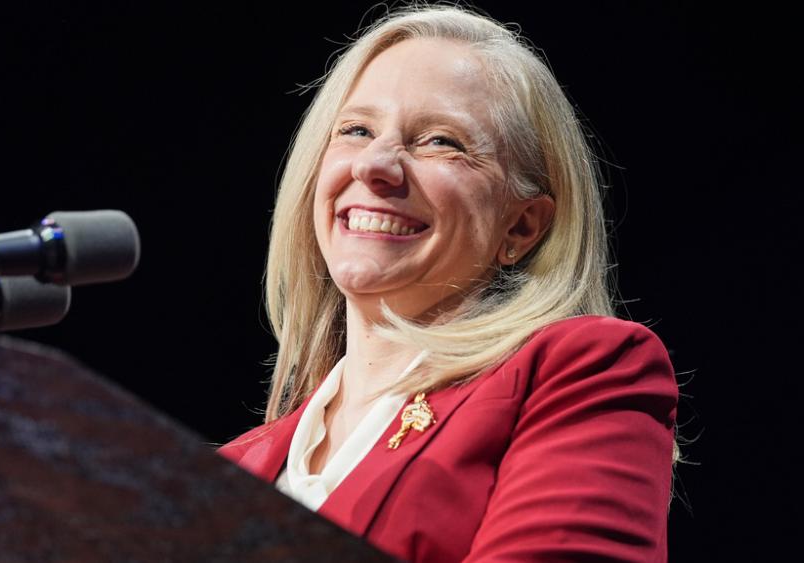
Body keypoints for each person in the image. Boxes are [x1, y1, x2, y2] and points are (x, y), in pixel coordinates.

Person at [218, 4, 678, 562]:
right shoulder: (225, 473)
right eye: (356, 130)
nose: (374, 164)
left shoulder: (582, 371)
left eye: (440, 141)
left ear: (522, 225)